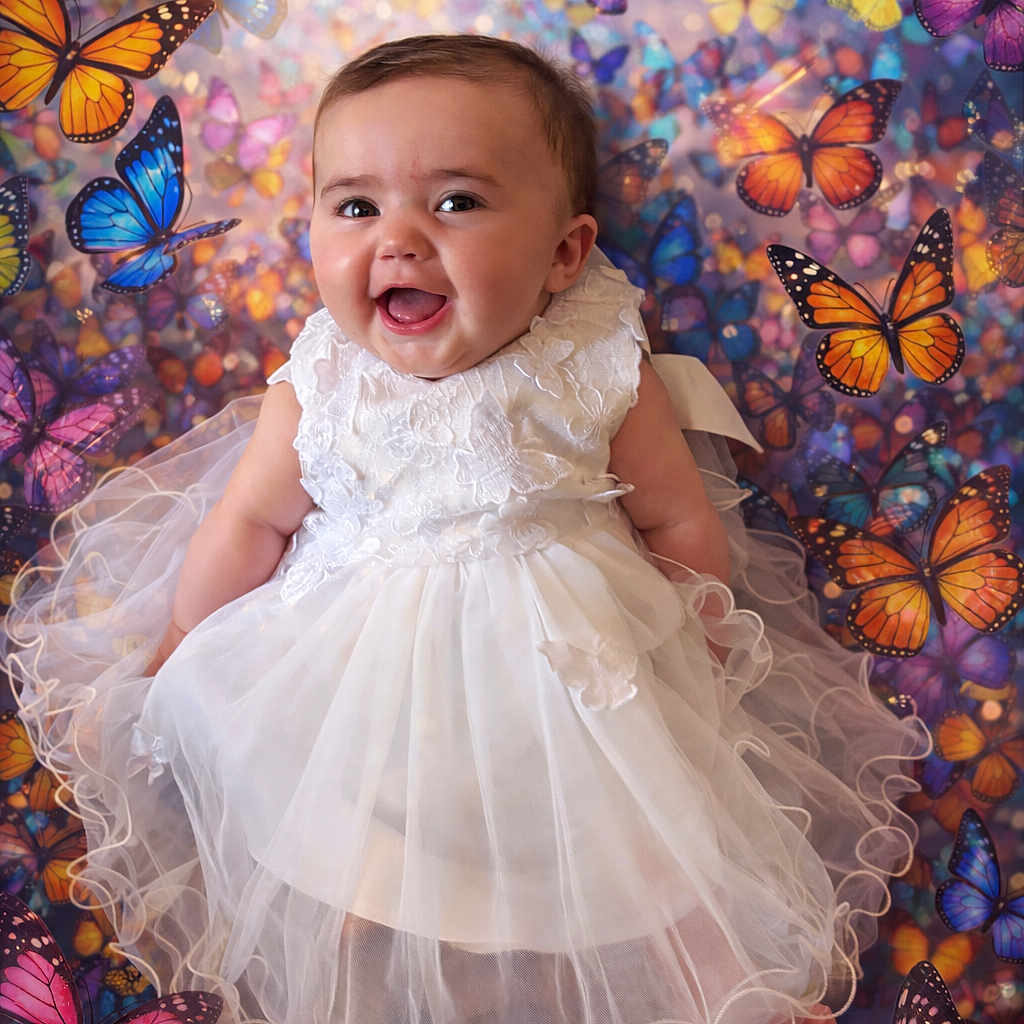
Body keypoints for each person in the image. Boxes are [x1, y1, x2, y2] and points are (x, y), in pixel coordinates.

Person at [5, 34, 928, 1024]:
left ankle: (717, 984)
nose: (397, 238)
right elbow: (247, 522)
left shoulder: (595, 369)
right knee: (323, 809)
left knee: (644, 847)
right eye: (354, 205)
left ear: (563, 252)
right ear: (310, 230)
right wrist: (180, 649)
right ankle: (364, 911)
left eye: (456, 202)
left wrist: (698, 649)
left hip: (560, 676)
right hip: (349, 673)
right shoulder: (318, 386)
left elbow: (674, 515)